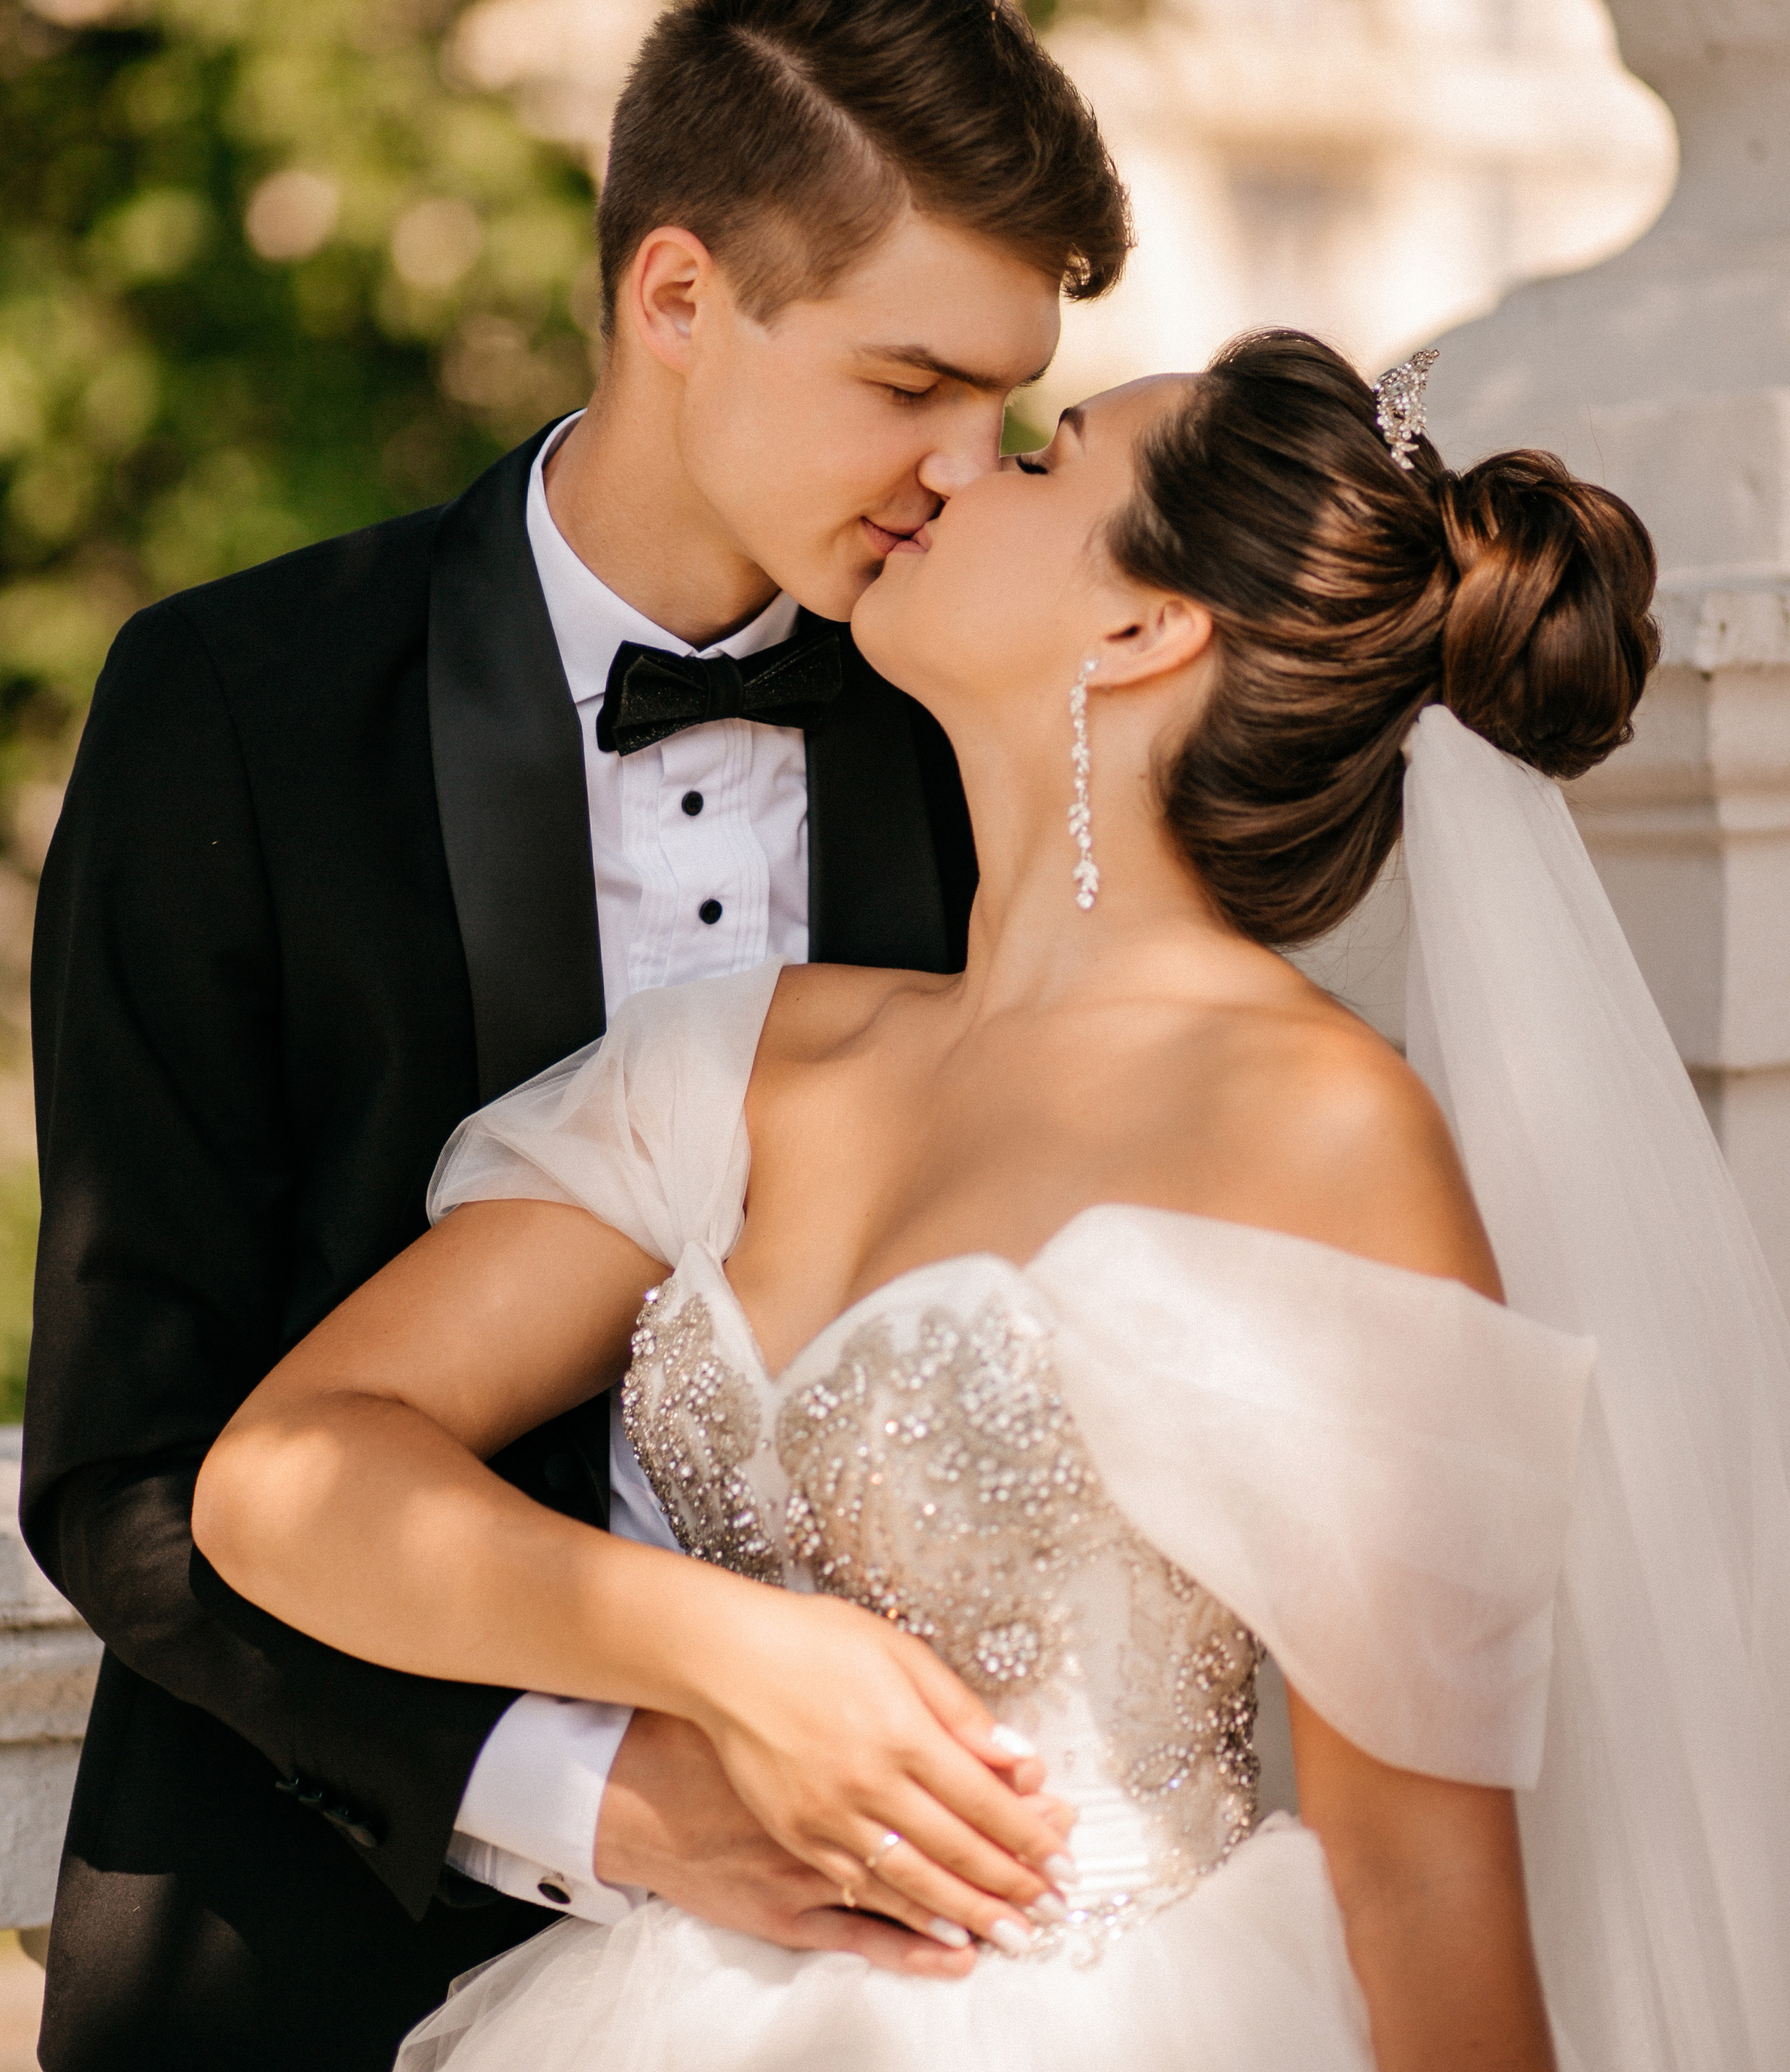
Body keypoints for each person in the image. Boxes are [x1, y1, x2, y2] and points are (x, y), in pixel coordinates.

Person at [190, 332, 1790, 2072]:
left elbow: (1418, 1892)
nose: (955, 467)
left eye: (1042, 456)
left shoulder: (1317, 1130)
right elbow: (285, 1477)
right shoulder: (742, 1062)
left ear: (1142, 628)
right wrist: (727, 1655)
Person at [20, 0, 1134, 2072]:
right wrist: (610, 1794)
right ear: (678, 295)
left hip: (898, 1986)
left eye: (1004, 402)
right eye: (907, 383)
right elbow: (126, 1465)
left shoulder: (1001, 739)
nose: (961, 467)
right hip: (307, 1959)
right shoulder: (236, 705)